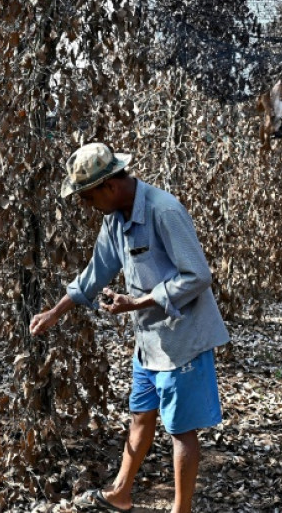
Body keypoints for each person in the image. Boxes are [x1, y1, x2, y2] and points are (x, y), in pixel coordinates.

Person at [30, 143, 230, 513]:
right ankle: (120, 494)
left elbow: (198, 276)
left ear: (109, 186)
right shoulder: (115, 219)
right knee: (140, 416)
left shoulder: (163, 211)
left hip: (182, 340)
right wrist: (56, 311)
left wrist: (136, 303)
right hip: (148, 343)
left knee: (180, 430)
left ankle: (181, 510)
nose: (87, 205)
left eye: (88, 197)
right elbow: (96, 271)